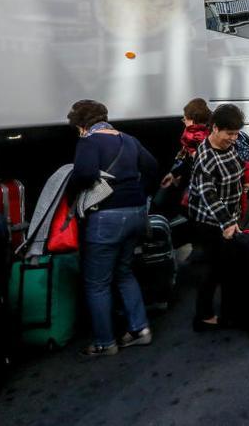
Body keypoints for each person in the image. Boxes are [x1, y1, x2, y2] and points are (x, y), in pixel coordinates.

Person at [67, 100, 158, 356]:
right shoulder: (129, 139)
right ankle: (140, 330)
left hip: (107, 219)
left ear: (82, 125)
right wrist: (140, 193)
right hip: (136, 213)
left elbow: (84, 174)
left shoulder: (88, 141)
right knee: (124, 272)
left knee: (97, 283)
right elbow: (152, 168)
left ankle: (105, 343)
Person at [188, 104, 245, 331]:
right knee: (211, 269)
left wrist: (245, 179)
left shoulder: (229, 146)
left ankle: (229, 308)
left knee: (225, 267)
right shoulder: (206, 156)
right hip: (209, 222)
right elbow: (207, 195)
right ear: (215, 129)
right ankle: (203, 316)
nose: (233, 138)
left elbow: (237, 165)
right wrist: (228, 222)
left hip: (227, 218)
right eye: (229, 133)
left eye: (236, 133)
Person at [155, 98, 211, 216]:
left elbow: (199, 168)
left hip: (199, 196)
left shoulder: (200, 140)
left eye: (185, 119)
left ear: (193, 121)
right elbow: (189, 162)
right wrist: (174, 174)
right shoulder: (195, 138)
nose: (184, 122)